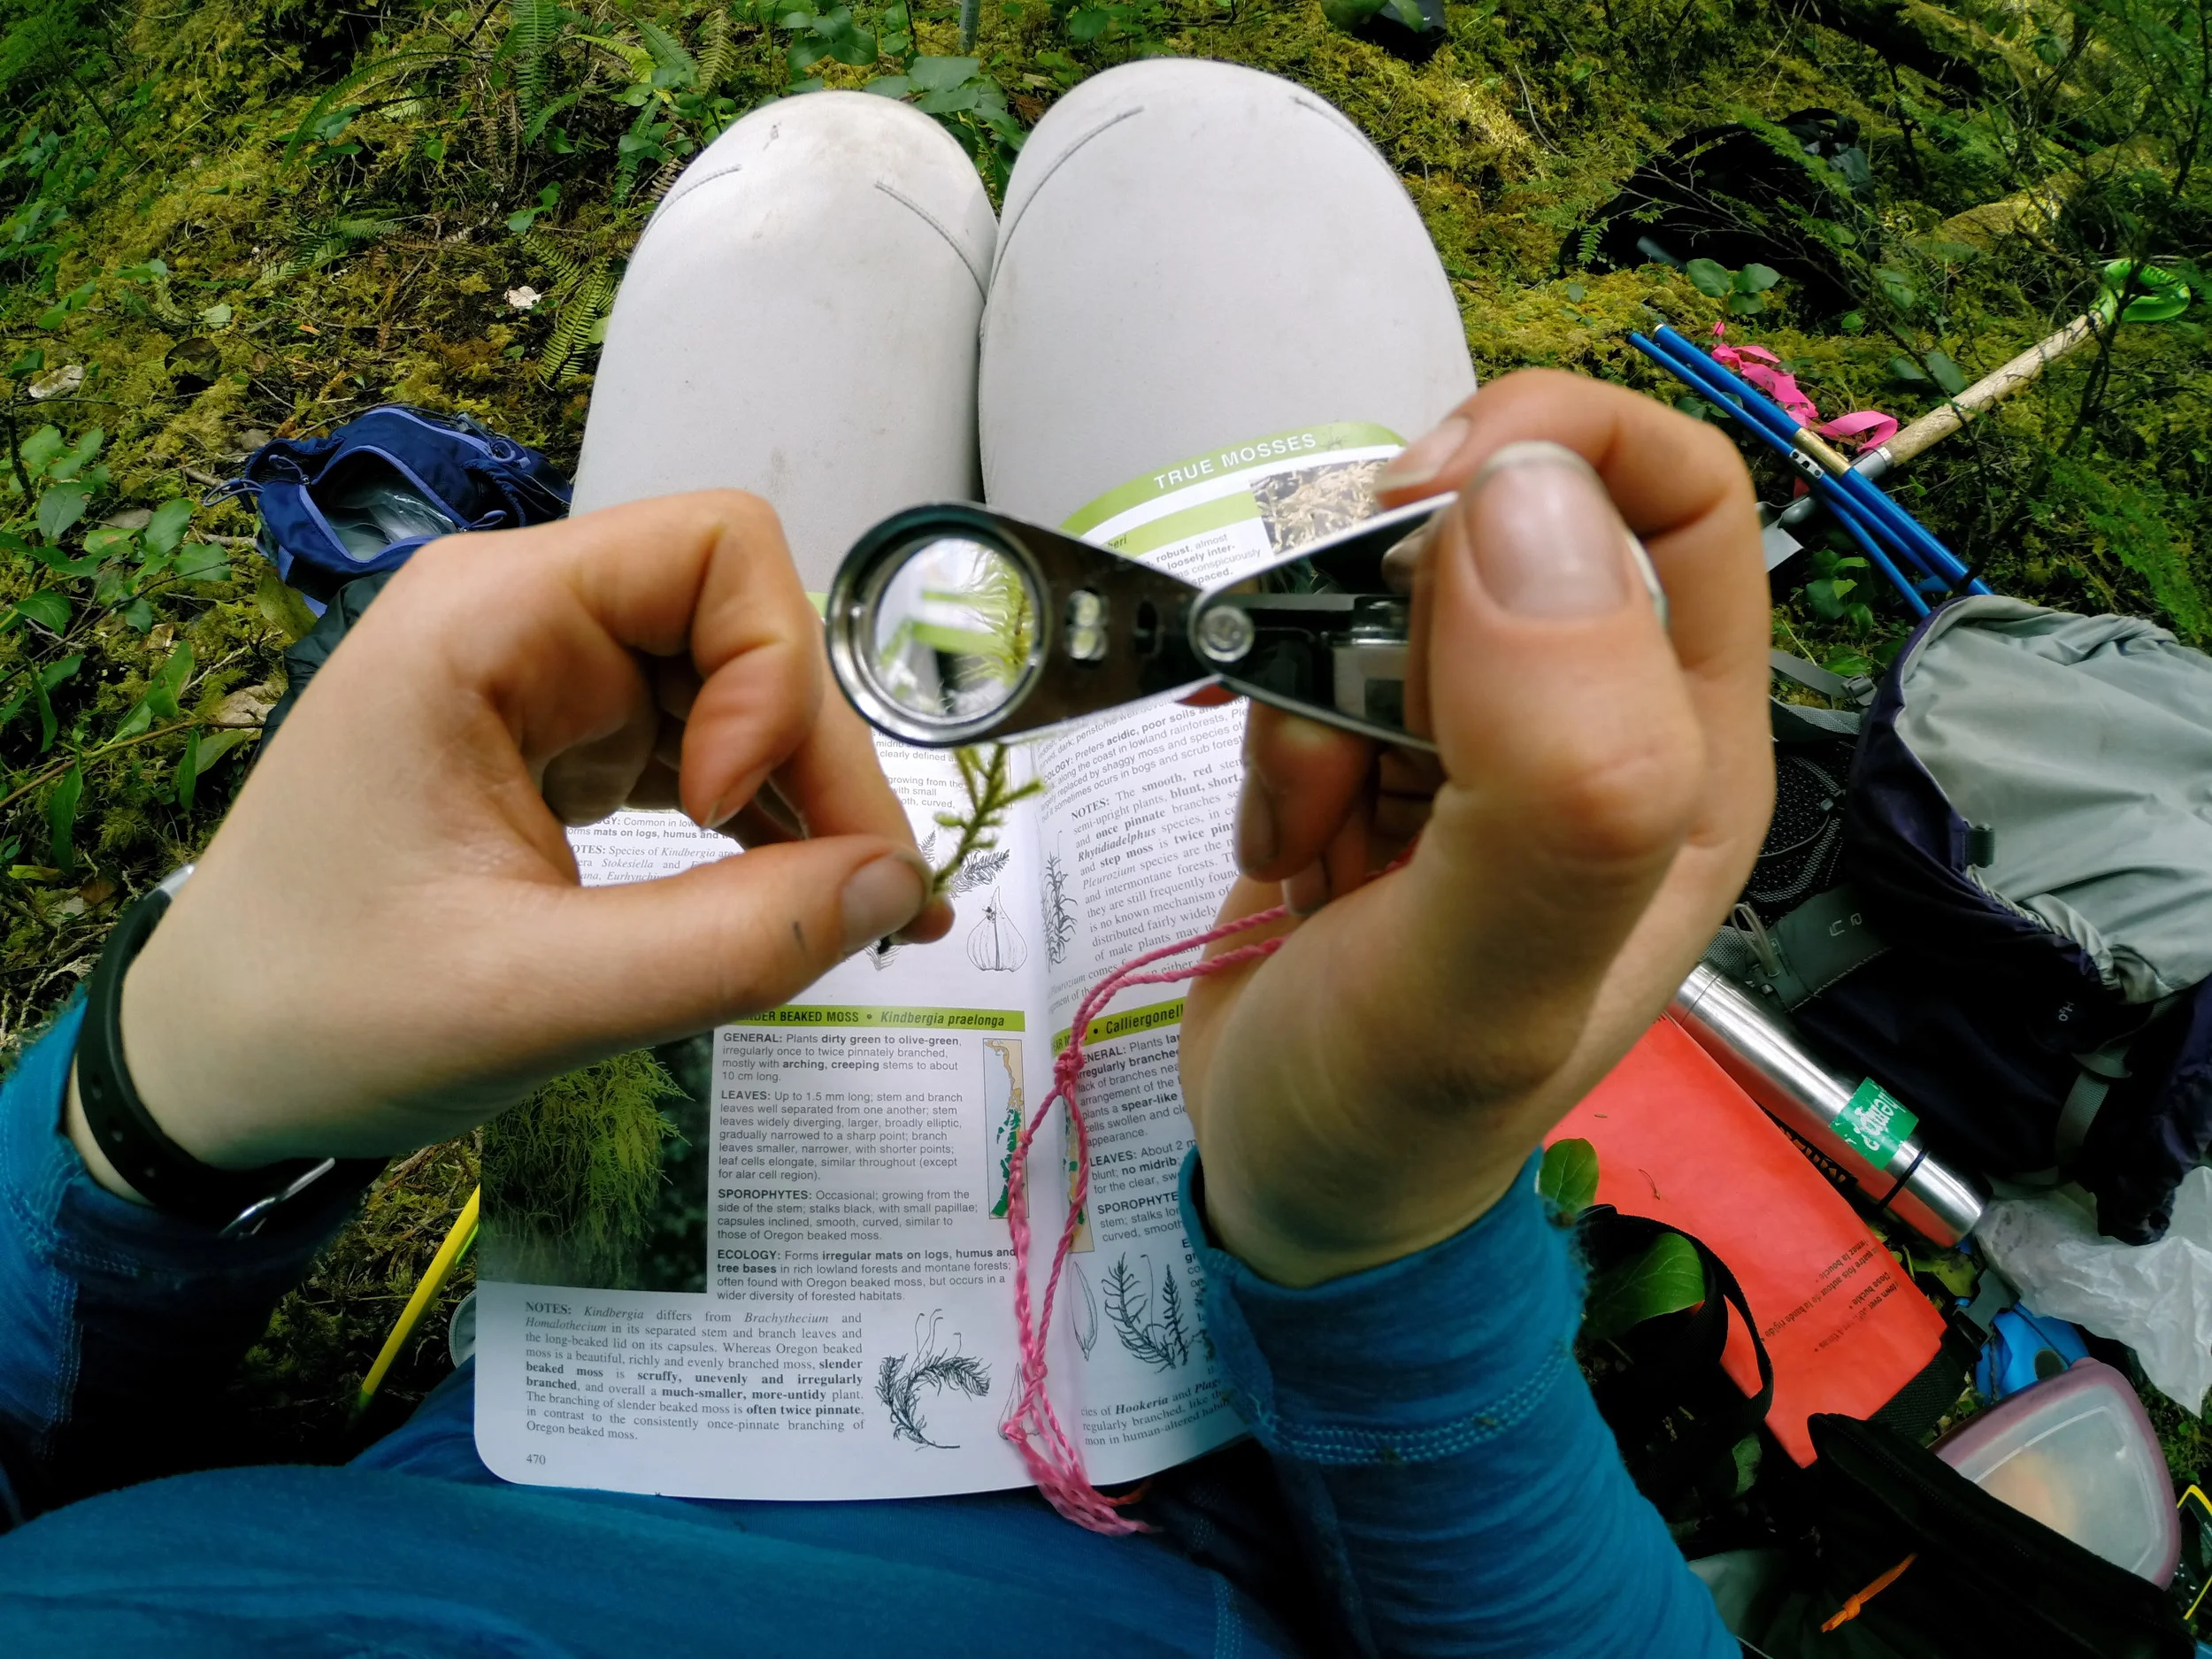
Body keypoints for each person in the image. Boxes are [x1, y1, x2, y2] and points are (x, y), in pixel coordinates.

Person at [0, 61, 1770, 1655]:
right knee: (1198, 152)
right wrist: (1380, 1220)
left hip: (580, 1370)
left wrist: (153, 1105)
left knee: (822, 180)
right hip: (1238, 1434)